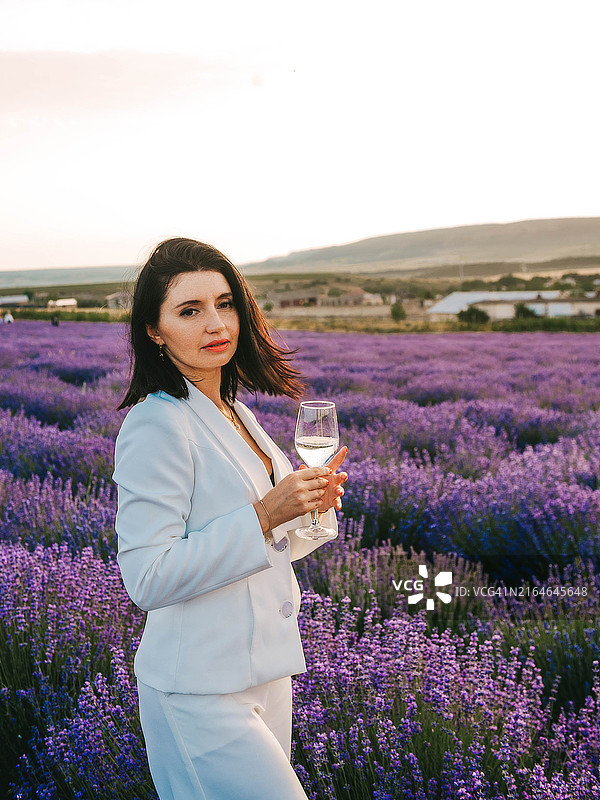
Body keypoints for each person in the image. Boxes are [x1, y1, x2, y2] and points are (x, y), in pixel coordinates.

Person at [113, 237, 348, 800]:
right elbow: (147, 578)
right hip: (198, 690)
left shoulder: (236, 411)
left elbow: (268, 546)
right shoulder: (156, 425)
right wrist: (266, 513)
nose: (215, 322)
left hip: (264, 674)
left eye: (225, 303)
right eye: (189, 311)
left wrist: (308, 511)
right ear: (154, 329)